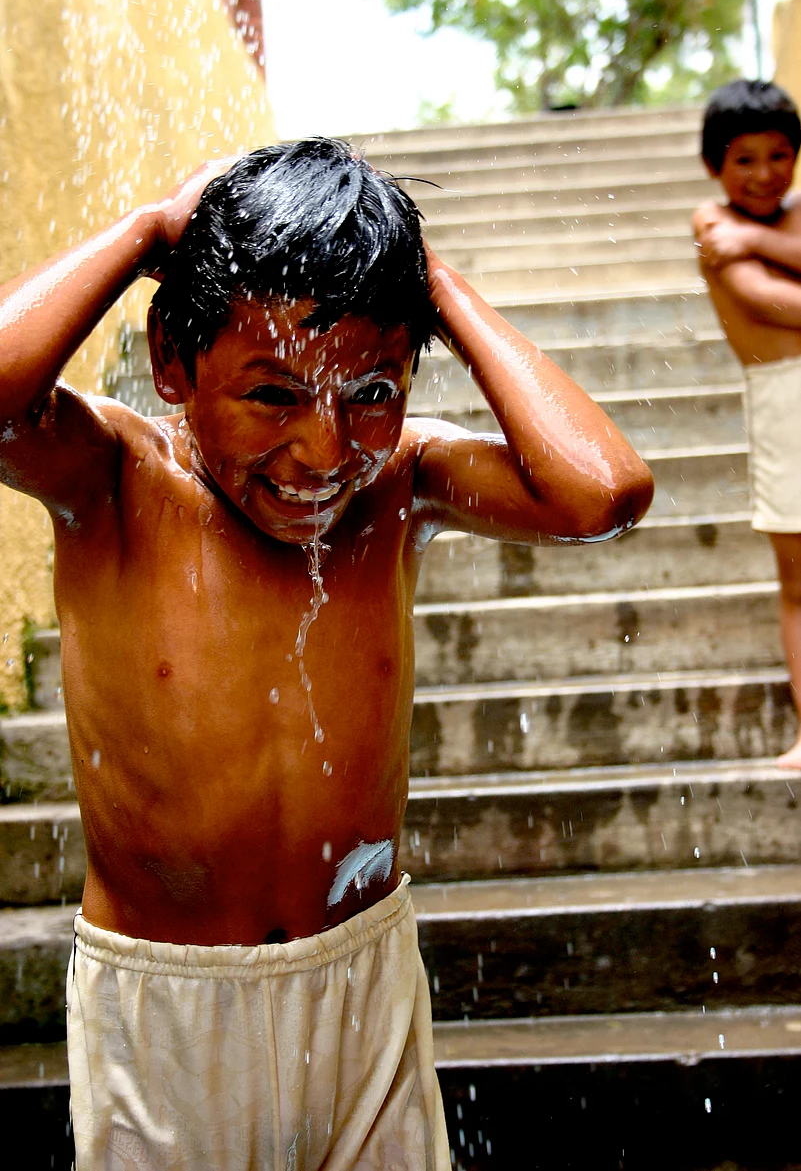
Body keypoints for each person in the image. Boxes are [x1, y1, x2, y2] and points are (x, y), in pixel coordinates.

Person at [0, 138, 654, 1169]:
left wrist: (438, 290)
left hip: (362, 973)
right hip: (166, 1000)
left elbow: (602, 492)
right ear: (174, 362)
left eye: (372, 392)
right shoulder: (115, 478)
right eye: (273, 395)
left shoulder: (403, 480)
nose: (323, 449)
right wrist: (140, 238)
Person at [694, 79, 801, 769]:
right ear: (714, 165)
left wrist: (754, 236)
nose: (764, 174)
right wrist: (744, 238)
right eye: (744, 159)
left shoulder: (756, 227)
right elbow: (761, 296)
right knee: (797, 577)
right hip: (783, 399)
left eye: (778, 156)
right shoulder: (708, 220)